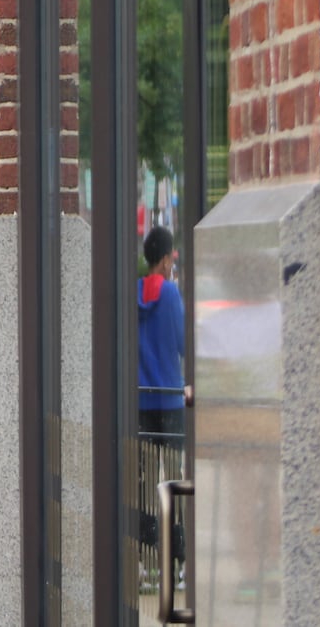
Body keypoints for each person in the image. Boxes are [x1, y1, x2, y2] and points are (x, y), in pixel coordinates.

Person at [137, 224, 185, 592]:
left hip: (140, 402)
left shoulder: (134, 292)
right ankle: (177, 560)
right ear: (166, 259)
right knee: (173, 482)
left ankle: (143, 561)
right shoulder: (170, 294)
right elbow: (185, 342)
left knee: (142, 485)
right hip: (170, 401)